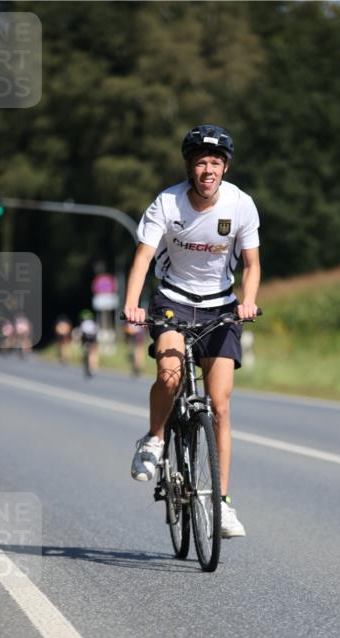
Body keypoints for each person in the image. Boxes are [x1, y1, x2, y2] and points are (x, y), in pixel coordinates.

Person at [124, 124, 260, 539]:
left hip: (220, 304)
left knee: (219, 404)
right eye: (200, 162)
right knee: (170, 374)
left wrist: (247, 301)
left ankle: (221, 504)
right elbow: (144, 257)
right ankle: (153, 437)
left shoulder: (241, 205)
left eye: (215, 163)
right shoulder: (166, 203)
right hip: (173, 299)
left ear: (224, 168)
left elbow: (252, 265)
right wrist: (133, 303)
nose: (208, 169)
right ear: (190, 166)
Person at [75, 309, 99, 376]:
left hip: (86, 338)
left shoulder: (83, 323)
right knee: (93, 352)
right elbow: (96, 331)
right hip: (92, 338)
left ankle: (85, 360)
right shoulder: (93, 322)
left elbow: (80, 333)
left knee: (85, 351)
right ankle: (93, 366)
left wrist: (78, 341)